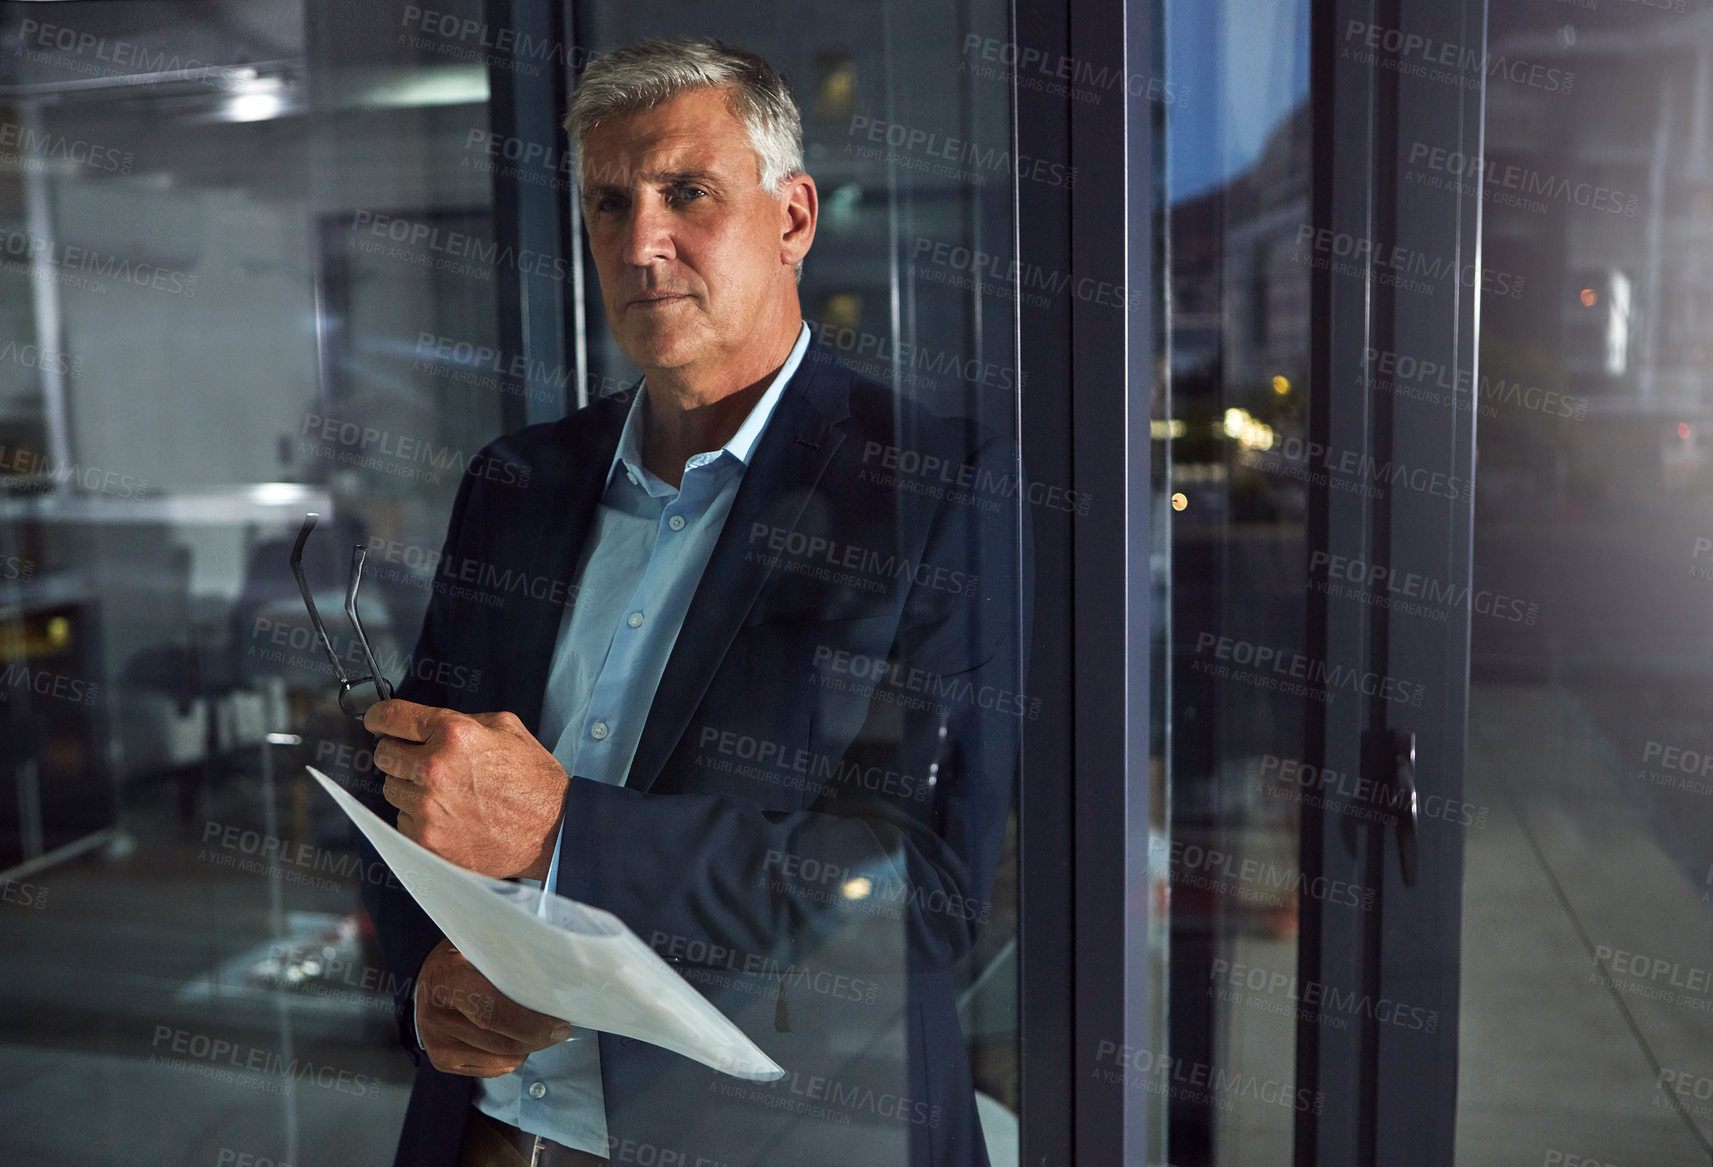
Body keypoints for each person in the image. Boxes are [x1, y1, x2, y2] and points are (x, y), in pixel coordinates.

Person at [356, 37, 1029, 1167]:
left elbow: (924, 898)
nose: (640, 242)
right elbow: (412, 791)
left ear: (794, 218)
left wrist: (571, 832)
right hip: (496, 1133)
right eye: (609, 203)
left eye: (687, 194)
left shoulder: (929, 490)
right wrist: (420, 976)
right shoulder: (514, 482)